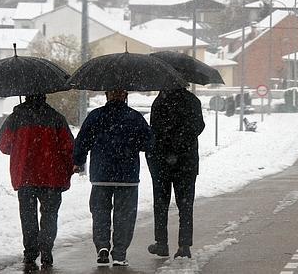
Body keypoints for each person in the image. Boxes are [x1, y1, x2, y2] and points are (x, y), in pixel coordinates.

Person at [73, 89, 153, 267]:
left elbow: (81, 141)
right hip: (127, 176)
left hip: (101, 175)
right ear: (125, 96)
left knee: (100, 213)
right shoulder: (134, 117)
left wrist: (78, 161)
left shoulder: (95, 116)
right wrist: (133, 143)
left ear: (107, 95)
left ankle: (102, 247)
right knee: (124, 216)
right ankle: (119, 253)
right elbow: (148, 143)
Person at [0, 94, 75, 271]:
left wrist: (20, 149)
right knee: (49, 215)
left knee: (28, 215)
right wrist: (71, 166)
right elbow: (68, 146)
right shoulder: (56, 117)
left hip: (25, 176)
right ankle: (46, 251)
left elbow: (3, 144)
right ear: (44, 96)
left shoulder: (15, 118)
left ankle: (30, 253)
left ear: (26, 96)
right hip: (51, 175)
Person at [146, 87, 205, 259]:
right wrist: (182, 142)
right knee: (185, 204)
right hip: (186, 161)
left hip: (161, 161)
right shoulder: (192, 100)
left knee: (161, 203)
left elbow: (154, 129)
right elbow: (199, 126)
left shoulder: (160, 101)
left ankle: (162, 243)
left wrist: (165, 145)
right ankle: (184, 245)